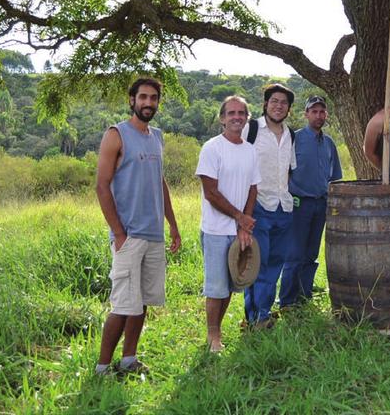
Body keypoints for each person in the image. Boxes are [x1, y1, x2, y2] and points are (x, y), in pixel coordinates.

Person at [94, 77, 181, 376]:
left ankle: (129, 359)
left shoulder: (156, 136)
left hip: (154, 234)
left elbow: (160, 182)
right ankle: (102, 367)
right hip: (128, 235)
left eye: (154, 98)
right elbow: (102, 186)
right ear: (132, 100)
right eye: (143, 97)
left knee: (142, 302)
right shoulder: (116, 134)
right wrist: (118, 233)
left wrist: (173, 225)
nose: (148, 103)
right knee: (122, 305)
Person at [196, 96, 261, 352]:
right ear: (222, 118)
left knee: (233, 283)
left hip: (238, 231)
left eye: (241, 113)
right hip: (215, 230)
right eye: (231, 113)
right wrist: (239, 218)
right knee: (216, 287)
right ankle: (213, 336)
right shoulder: (212, 148)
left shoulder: (250, 150)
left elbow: (253, 189)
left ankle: (217, 330)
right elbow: (211, 193)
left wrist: (244, 226)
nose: (236, 117)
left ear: (247, 118)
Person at [241, 83, 297, 327]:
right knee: (258, 263)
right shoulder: (251, 129)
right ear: (265, 104)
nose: (278, 106)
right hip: (258, 206)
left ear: (289, 109)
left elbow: (289, 171)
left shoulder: (290, 134)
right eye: (274, 101)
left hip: (283, 208)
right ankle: (256, 317)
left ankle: (263, 311)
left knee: (276, 262)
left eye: (283, 103)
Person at [279, 95, 343, 307]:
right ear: (306, 114)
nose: (318, 115)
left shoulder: (329, 143)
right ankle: (287, 301)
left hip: (321, 203)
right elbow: (283, 172)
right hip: (299, 204)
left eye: (322, 111)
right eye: (314, 111)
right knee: (294, 254)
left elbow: (335, 177)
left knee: (311, 254)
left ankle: (304, 296)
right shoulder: (294, 139)